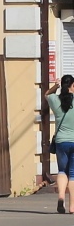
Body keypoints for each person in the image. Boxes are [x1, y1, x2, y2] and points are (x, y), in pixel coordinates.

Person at [47, 74, 74, 214]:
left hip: (61, 142)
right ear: (72, 86)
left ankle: (61, 197)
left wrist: (55, 86)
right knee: (73, 174)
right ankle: (72, 207)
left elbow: (47, 94)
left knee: (62, 170)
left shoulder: (55, 100)